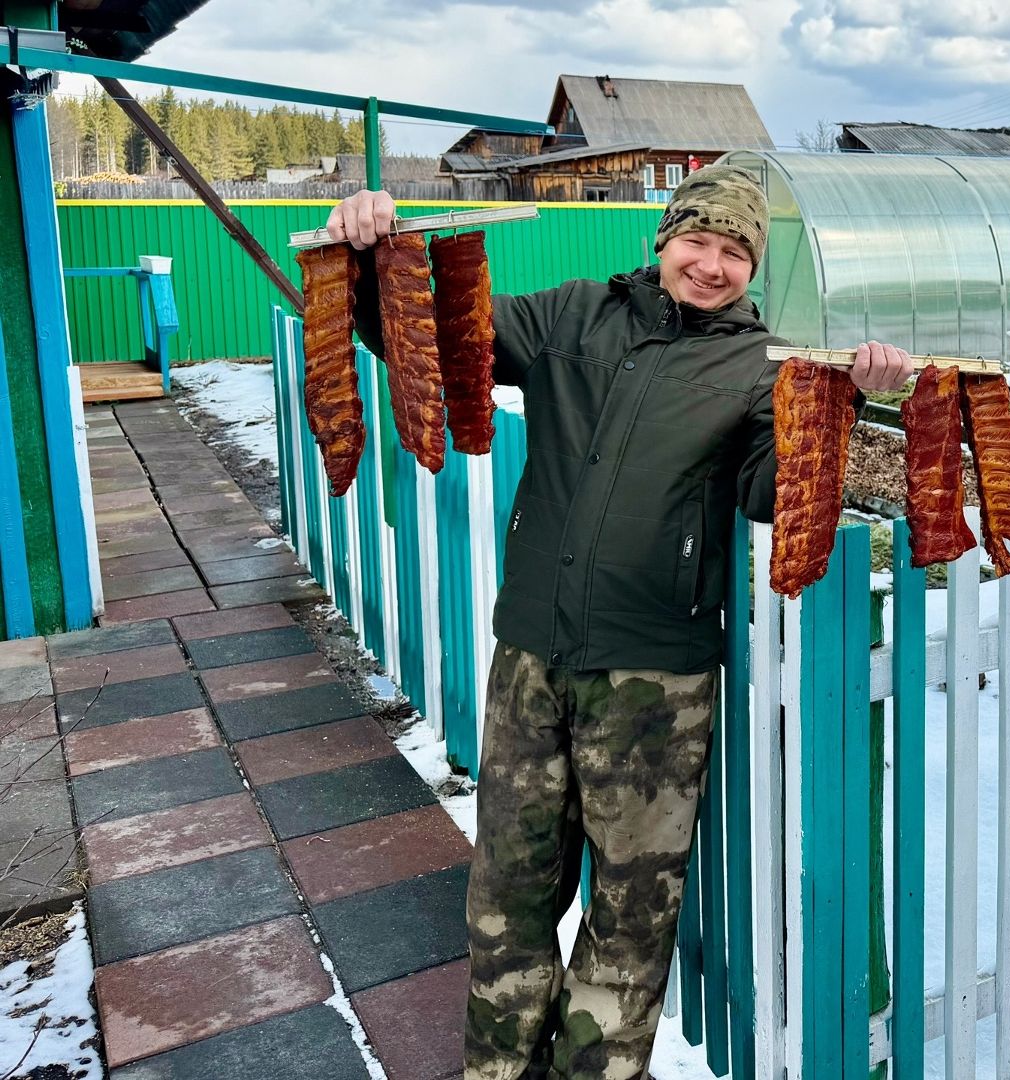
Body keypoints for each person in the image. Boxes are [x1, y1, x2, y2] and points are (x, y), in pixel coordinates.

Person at [325, 167, 913, 1080]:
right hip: (533, 652)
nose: (711, 265)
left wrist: (848, 399)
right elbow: (436, 345)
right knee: (507, 895)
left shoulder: (765, 366)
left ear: (754, 268)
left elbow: (771, 494)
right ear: (663, 239)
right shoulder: (572, 315)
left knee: (631, 915)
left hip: (654, 680)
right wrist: (369, 263)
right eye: (697, 241)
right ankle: (497, 1070)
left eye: (735, 251)